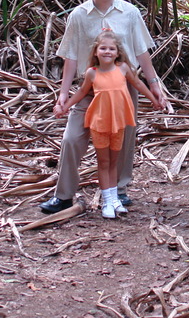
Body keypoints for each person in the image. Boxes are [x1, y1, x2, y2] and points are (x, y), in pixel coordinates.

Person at [41, 0, 168, 214]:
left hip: (122, 87)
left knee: (122, 139)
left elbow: (141, 52)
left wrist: (154, 84)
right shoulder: (79, 15)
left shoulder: (130, 13)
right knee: (72, 138)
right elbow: (70, 57)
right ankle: (64, 195)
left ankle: (118, 191)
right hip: (89, 86)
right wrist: (63, 95)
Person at [57, 31, 160, 218]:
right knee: (103, 162)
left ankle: (114, 199)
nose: (107, 52)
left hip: (118, 122)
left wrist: (154, 99)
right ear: (96, 51)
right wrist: (65, 106)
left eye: (111, 49)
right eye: (103, 48)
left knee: (114, 162)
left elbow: (138, 84)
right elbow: (81, 93)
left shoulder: (123, 69)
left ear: (118, 52)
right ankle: (106, 202)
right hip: (100, 123)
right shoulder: (92, 73)